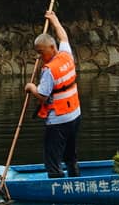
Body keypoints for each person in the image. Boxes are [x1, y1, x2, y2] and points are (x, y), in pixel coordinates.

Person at [25, 11, 80, 179]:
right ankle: (75, 177)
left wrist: (31, 87)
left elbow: (42, 95)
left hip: (59, 119)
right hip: (75, 115)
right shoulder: (66, 54)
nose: (40, 56)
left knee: (52, 158)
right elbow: (63, 36)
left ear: (51, 48)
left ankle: (56, 182)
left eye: (41, 52)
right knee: (70, 154)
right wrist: (55, 20)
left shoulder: (49, 70)